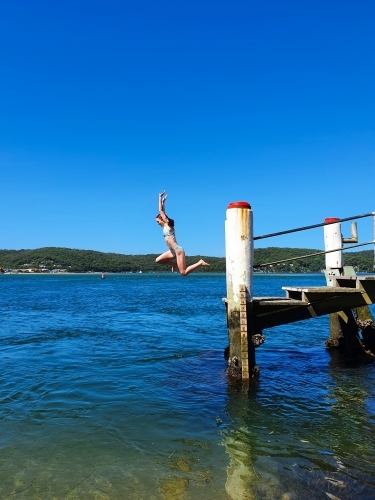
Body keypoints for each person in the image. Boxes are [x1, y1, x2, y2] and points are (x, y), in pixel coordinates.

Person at [155, 191, 210, 276]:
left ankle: (200, 263)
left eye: (158, 221)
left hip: (178, 251)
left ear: (162, 219)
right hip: (171, 252)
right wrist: (162, 202)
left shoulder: (168, 226)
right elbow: (162, 211)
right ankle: (173, 264)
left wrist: (160, 199)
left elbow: (161, 211)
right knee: (158, 260)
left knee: (183, 273)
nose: (157, 223)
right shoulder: (165, 227)